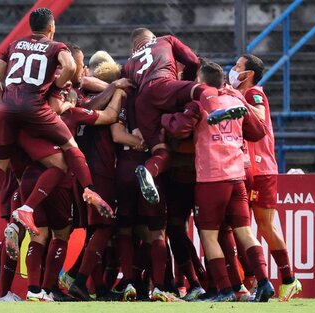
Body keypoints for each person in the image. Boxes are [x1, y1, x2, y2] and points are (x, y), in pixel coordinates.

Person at [0, 8, 113, 245]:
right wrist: (55, 89)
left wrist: (4, 105)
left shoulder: (13, 44)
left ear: (31, 27)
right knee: (67, 153)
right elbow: (70, 67)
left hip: (6, 111)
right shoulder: (55, 46)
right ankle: (89, 189)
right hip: (35, 108)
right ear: (51, 28)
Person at [161, 60, 274, 302]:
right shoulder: (235, 100)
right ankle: (264, 282)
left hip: (211, 178)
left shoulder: (199, 102)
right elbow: (257, 131)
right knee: (244, 231)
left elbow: (179, 130)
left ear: (200, 83)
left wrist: (165, 118)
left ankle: (224, 290)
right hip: (237, 177)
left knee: (209, 236)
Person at [229, 54, 302, 301]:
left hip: (261, 169)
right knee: (241, 227)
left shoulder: (252, 94)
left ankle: (290, 279)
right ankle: (251, 280)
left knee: (264, 225)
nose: (233, 69)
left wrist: (235, 97)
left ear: (248, 74)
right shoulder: (242, 94)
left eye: (237, 66)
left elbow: (258, 118)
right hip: (245, 168)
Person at [122, 27, 209, 205]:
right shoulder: (165, 39)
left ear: (133, 48)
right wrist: (185, 86)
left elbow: (129, 96)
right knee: (203, 90)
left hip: (142, 103)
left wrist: (136, 126)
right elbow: (192, 61)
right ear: (152, 37)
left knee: (161, 153)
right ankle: (218, 111)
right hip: (163, 83)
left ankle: (148, 172)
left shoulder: (128, 63)